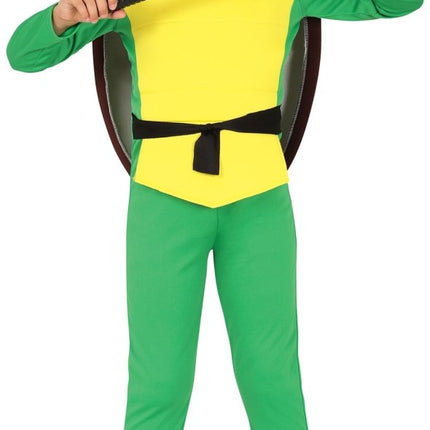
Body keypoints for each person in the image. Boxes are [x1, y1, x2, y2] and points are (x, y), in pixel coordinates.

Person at [6, 0, 424, 428]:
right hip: (163, 202)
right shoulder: (128, 3)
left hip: (259, 202)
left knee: (272, 379)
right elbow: (22, 55)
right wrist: (63, 15)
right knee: (159, 384)